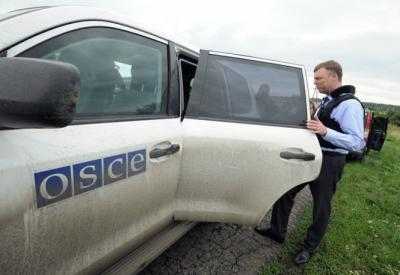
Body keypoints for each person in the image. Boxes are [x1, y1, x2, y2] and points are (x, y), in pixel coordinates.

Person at [255, 60, 365, 265]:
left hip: (331, 161)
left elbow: (357, 142)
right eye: (314, 79)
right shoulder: (328, 100)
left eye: (319, 78)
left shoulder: (350, 105)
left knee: (321, 206)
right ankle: (276, 231)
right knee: (285, 192)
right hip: (311, 155)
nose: (315, 83)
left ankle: (309, 247)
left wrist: (325, 131)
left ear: (334, 76)